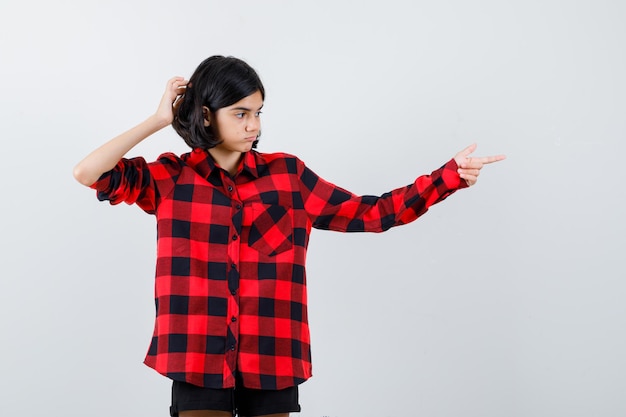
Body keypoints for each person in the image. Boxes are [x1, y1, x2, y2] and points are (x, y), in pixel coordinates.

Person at [73, 55, 505, 417]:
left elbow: (373, 213)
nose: (253, 125)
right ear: (206, 115)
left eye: (258, 112)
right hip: (195, 358)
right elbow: (88, 173)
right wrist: (158, 119)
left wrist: (446, 179)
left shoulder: (288, 176)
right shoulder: (169, 177)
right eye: (240, 113)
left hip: (272, 357)